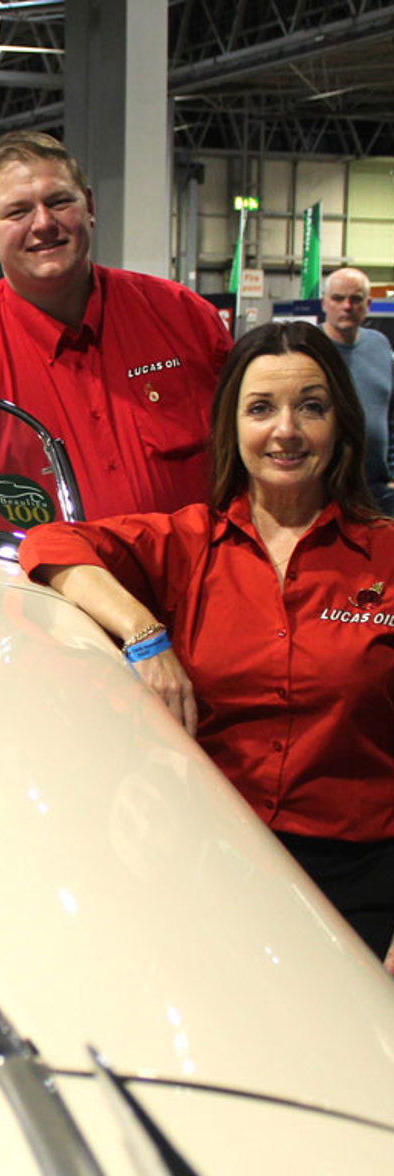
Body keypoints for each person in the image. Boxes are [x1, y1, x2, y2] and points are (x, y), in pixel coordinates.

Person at [20, 321, 394, 966]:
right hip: (209, 867)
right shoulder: (188, 544)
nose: (286, 430)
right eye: (261, 409)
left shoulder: (385, 554)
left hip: (362, 882)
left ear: (343, 423)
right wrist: (145, 637)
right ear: (232, 427)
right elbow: (50, 544)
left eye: (311, 406)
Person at [0, 130, 232, 530]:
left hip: (198, 587)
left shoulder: (186, 319)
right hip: (40, 593)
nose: (43, 223)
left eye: (58, 202)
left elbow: (252, 464)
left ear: (89, 206)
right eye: (17, 212)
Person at [321, 266, 394, 516]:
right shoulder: (309, 349)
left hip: (376, 488)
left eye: (355, 299)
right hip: (323, 491)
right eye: (338, 299)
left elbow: (390, 415)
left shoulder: (380, 345)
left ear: (369, 304)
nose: (347, 306)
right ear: (324, 303)